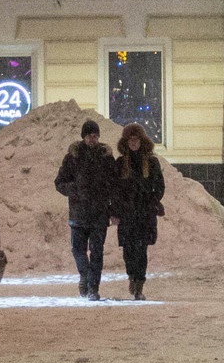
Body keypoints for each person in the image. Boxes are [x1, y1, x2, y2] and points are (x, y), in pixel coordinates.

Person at [54, 118, 119, 299]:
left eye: (95, 135)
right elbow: (59, 183)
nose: (93, 138)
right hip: (79, 213)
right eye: (89, 135)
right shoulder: (73, 157)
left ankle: (93, 289)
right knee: (78, 250)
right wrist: (74, 190)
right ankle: (85, 275)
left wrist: (114, 210)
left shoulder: (106, 158)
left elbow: (114, 186)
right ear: (83, 137)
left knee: (97, 252)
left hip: (99, 213)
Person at [111, 122, 166, 300]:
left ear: (142, 141)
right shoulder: (120, 164)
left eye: (136, 140)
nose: (133, 143)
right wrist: (116, 210)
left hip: (144, 213)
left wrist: (152, 201)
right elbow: (115, 189)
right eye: (130, 140)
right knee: (128, 251)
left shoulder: (151, 163)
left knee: (141, 250)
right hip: (127, 214)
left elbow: (159, 185)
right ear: (125, 142)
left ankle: (139, 285)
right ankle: (132, 276)